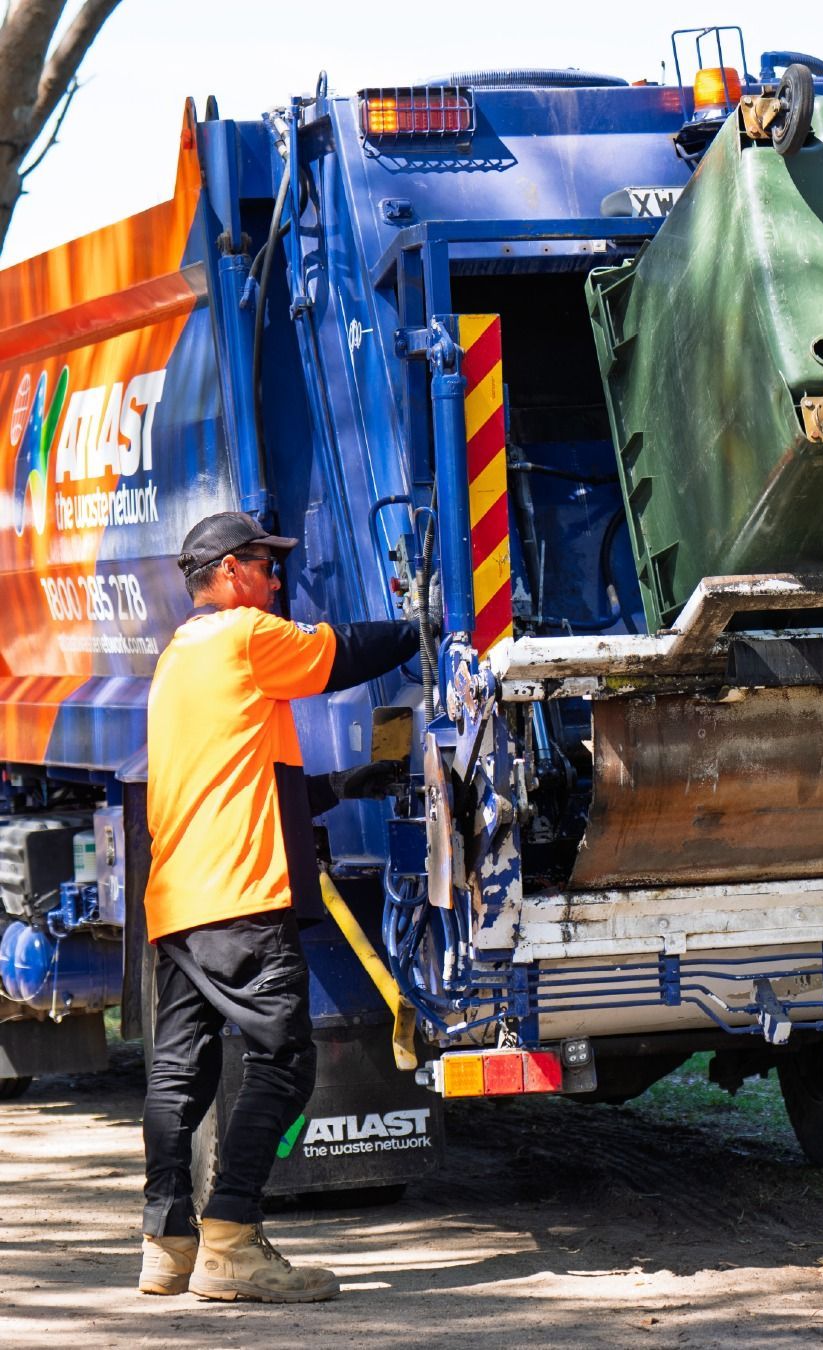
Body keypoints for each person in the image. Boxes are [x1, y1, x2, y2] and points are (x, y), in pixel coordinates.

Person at [138, 511, 419, 1303]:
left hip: (183, 898)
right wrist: (422, 628)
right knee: (286, 1061)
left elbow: (247, 781)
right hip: (241, 897)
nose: (277, 581)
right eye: (265, 566)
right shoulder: (243, 635)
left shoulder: (179, 659)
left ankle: (167, 1244)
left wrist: (344, 786)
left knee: (179, 1068)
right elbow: (340, 654)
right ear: (229, 573)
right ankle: (233, 1237)